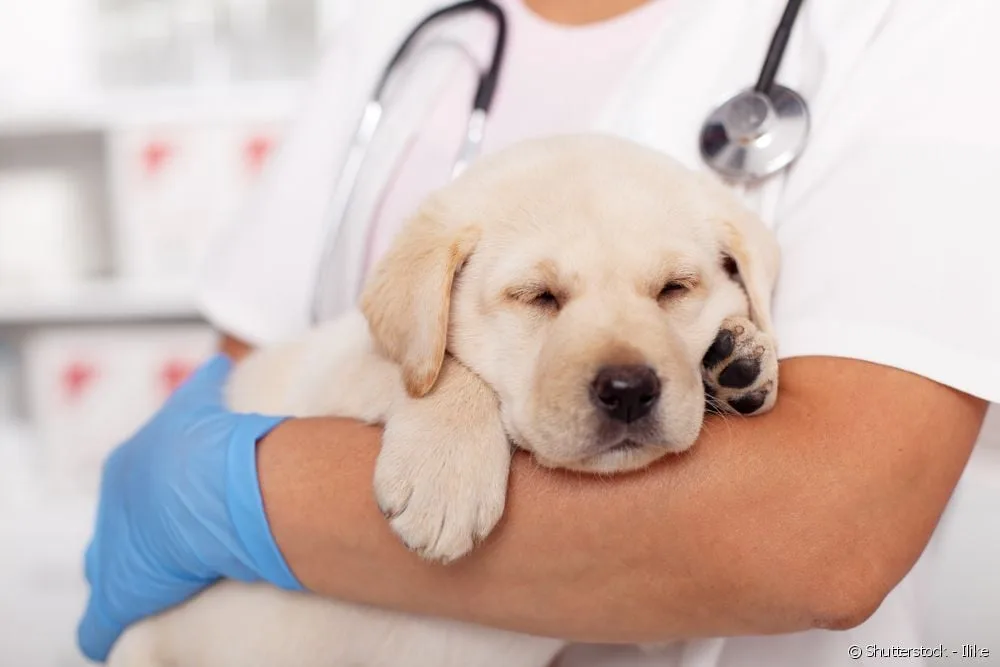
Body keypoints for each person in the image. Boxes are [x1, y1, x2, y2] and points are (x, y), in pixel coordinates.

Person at [77, 0, 1000, 665]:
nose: (626, 368)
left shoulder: (922, 24)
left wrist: (240, 493)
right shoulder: (394, 27)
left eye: (676, 286)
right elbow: (259, 376)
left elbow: (821, 537)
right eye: (539, 299)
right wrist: (437, 398)